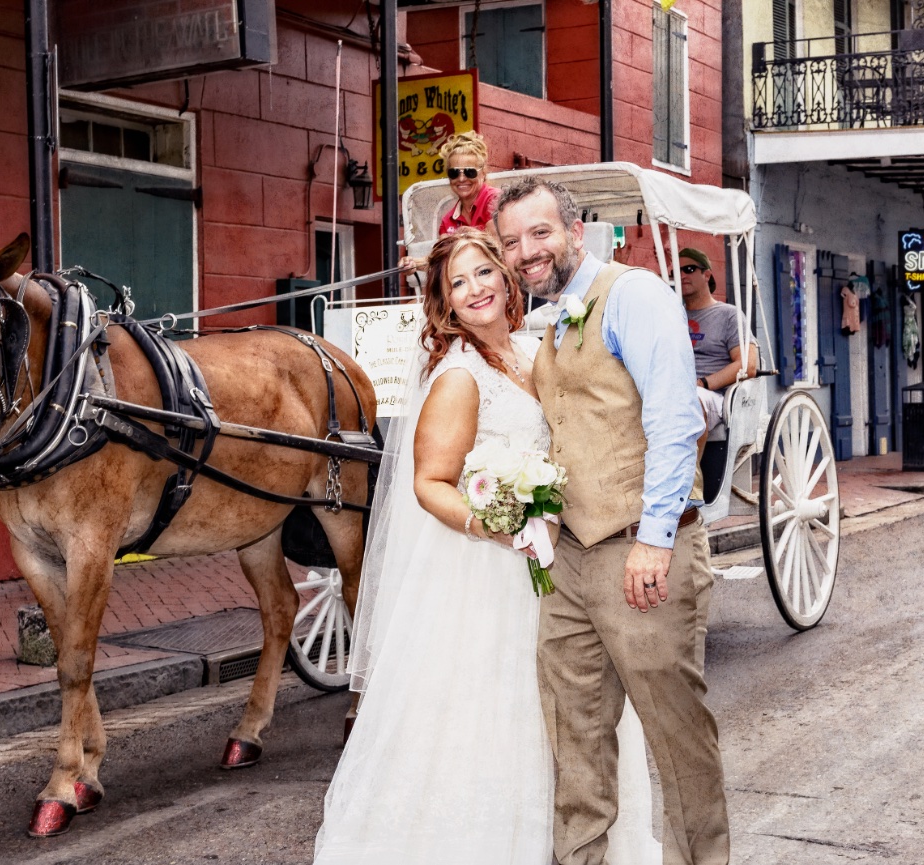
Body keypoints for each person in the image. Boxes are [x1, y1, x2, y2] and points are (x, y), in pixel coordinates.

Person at [313, 228, 659, 864]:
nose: (474, 290)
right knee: (494, 715)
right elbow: (428, 483)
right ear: (444, 303)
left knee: (576, 705)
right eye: (457, 283)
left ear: (506, 278)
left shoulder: (535, 353)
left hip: (562, 563)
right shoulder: (459, 376)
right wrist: (496, 522)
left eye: (482, 273)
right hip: (486, 574)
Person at [495, 178, 730, 865]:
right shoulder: (553, 316)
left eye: (538, 233)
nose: (524, 251)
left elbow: (673, 417)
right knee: (574, 733)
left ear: (575, 231)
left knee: (675, 732)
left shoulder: (632, 294)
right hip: (565, 558)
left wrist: (654, 541)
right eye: (511, 241)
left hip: (639, 549)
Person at [675, 247, 758, 432]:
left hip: (714, 396)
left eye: (688, 269)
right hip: (675, 390)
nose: (681, 275)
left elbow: (748, 364)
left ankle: (691, 462)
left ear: (707, 275)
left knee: (691, 401)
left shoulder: (728, 315)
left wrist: (702, 383)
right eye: (675, 271)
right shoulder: (673, 316)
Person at [398, 131, 499, 275]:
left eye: (470, 172)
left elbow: (498, 249)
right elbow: (441, 260)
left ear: (483, 173)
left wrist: (466, 236)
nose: (462, 179)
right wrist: (414, 263)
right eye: (454, 173)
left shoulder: (494, 200)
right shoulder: (448, 220)